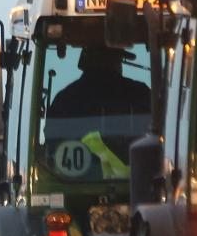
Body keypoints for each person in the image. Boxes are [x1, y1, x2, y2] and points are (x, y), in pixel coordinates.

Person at [46, 46, 151, 177]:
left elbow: (51, 149)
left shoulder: (65, 99)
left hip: (76, 185)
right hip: (139, 188)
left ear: (85, 63)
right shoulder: (139, 93)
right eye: (117, 59)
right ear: (115, 61)